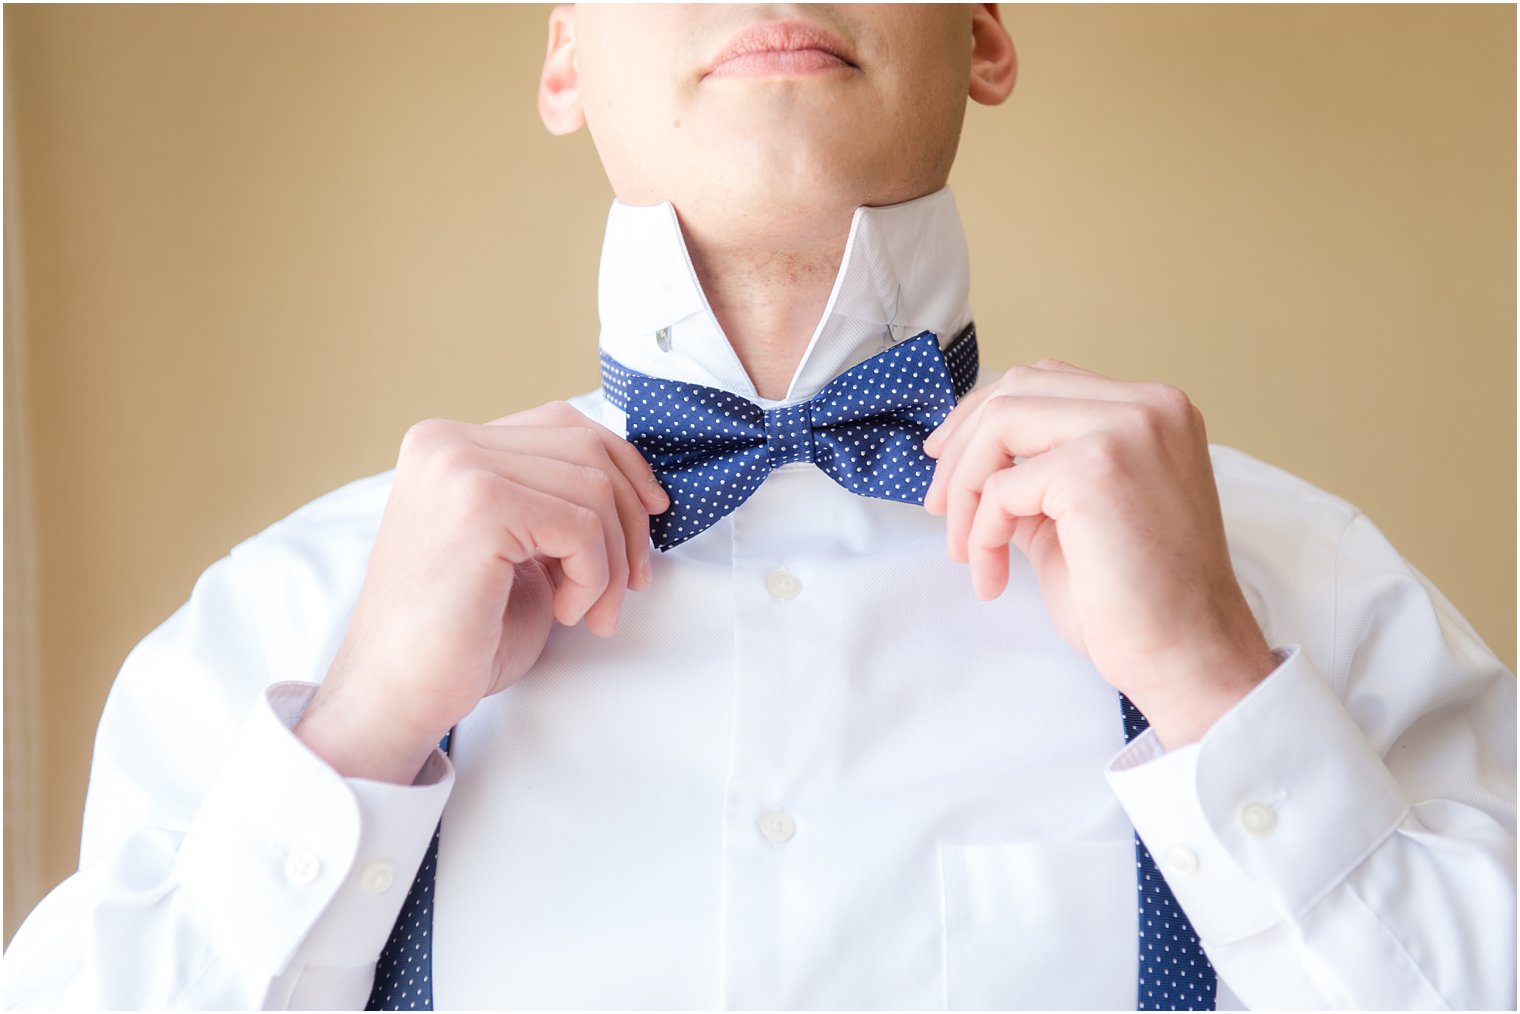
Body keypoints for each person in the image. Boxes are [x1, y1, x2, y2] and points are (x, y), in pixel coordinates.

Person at [3, 4, 1514, 1010]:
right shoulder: (288, 633)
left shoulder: (1301, 594)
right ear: (564, 57)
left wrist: (1213, 686)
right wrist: (353, 738)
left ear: (985, 32)